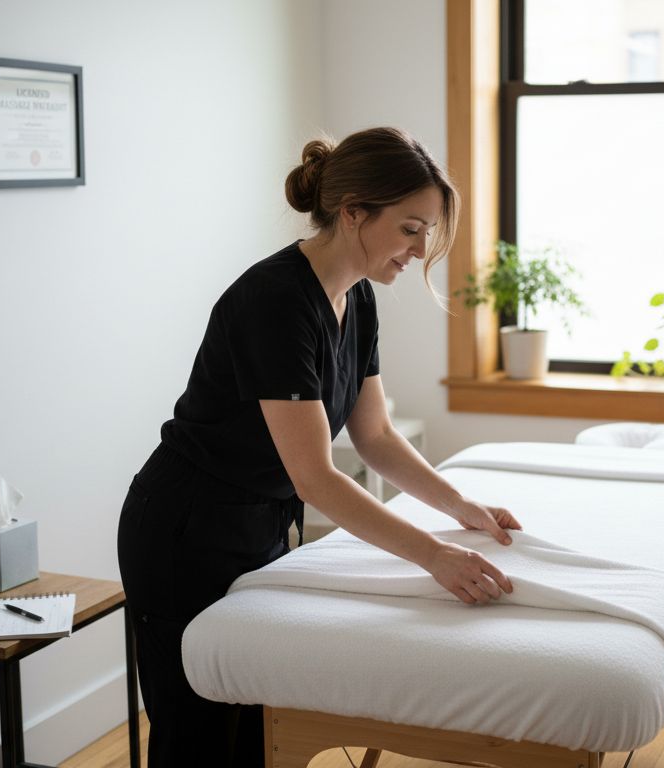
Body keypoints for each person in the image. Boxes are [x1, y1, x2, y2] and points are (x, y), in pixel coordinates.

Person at [116, 126, 523, 766]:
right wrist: (434, 557)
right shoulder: (274, 300)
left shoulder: (357, 296)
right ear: (353, 212)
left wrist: (459, 507)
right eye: (411, 229)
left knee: (257, 725)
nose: (419, 250)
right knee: (197, 735)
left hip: (260, 525)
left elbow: (377, 436)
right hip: (185, 531)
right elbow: (317, 478)